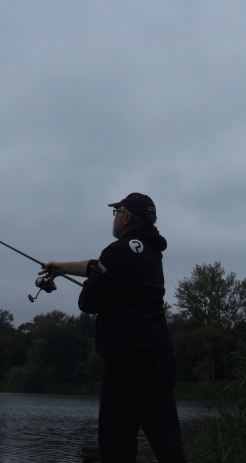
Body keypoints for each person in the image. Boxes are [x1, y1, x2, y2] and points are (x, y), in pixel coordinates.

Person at [42, 193, 187, 463]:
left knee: (117, 451)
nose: (115, 217)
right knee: (170, 451)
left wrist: (101, 286)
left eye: (117, 212)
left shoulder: (116, 251)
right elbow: (104, 268)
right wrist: (62, 267)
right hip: (159, 366)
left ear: (127, 217)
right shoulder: (151, 253)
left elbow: (87, 302)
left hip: (125, 369)